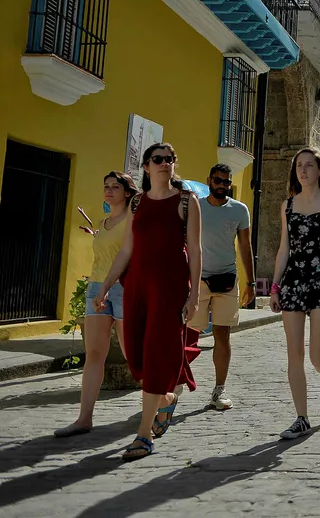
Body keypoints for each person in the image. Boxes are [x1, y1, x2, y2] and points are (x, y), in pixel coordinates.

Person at [95, 143, 202, 459]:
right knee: (137, 358)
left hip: (169, 289)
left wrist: (194, 295)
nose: (165, 164)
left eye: (170, 159)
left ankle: (143, 436)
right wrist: (105, 287)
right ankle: (166, 399)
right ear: (146, 166)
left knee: (156, 355)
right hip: (137, 287)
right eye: (158, 159)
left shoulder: (186, 201)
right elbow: (126, 250)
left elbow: (195, 251)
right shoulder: (138, 203)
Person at [270, 148, 320, 439]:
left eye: (309, 165)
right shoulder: (287, 207)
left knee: (317, 357)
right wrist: (276, 287)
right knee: (294, 356)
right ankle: (301, 417)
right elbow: (283, 250)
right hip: (293, 280)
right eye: (298, 166)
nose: (303, 170)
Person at [55, 171, 138, 438]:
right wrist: (97, 289)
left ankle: (164, 398)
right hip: (96, 288)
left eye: (116, 187)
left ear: (127, 192)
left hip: (123, 290)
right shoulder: (103, 223)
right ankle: (84, 418)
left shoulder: (132, 220)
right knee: (93, 355)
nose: (109, 190)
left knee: (131, 355)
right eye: (106, 186)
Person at [189, 163, 254, 411]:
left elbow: (245, 246)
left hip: (227, 279)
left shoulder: (239, 210)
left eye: (227, 182)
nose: (223, 186)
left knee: (222, 336)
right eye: (218, 180)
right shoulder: (196, 208)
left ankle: (219, 389)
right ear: (209, 180)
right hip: (198, 280)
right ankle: (175, 384)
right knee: (187, 334)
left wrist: (250, 281)